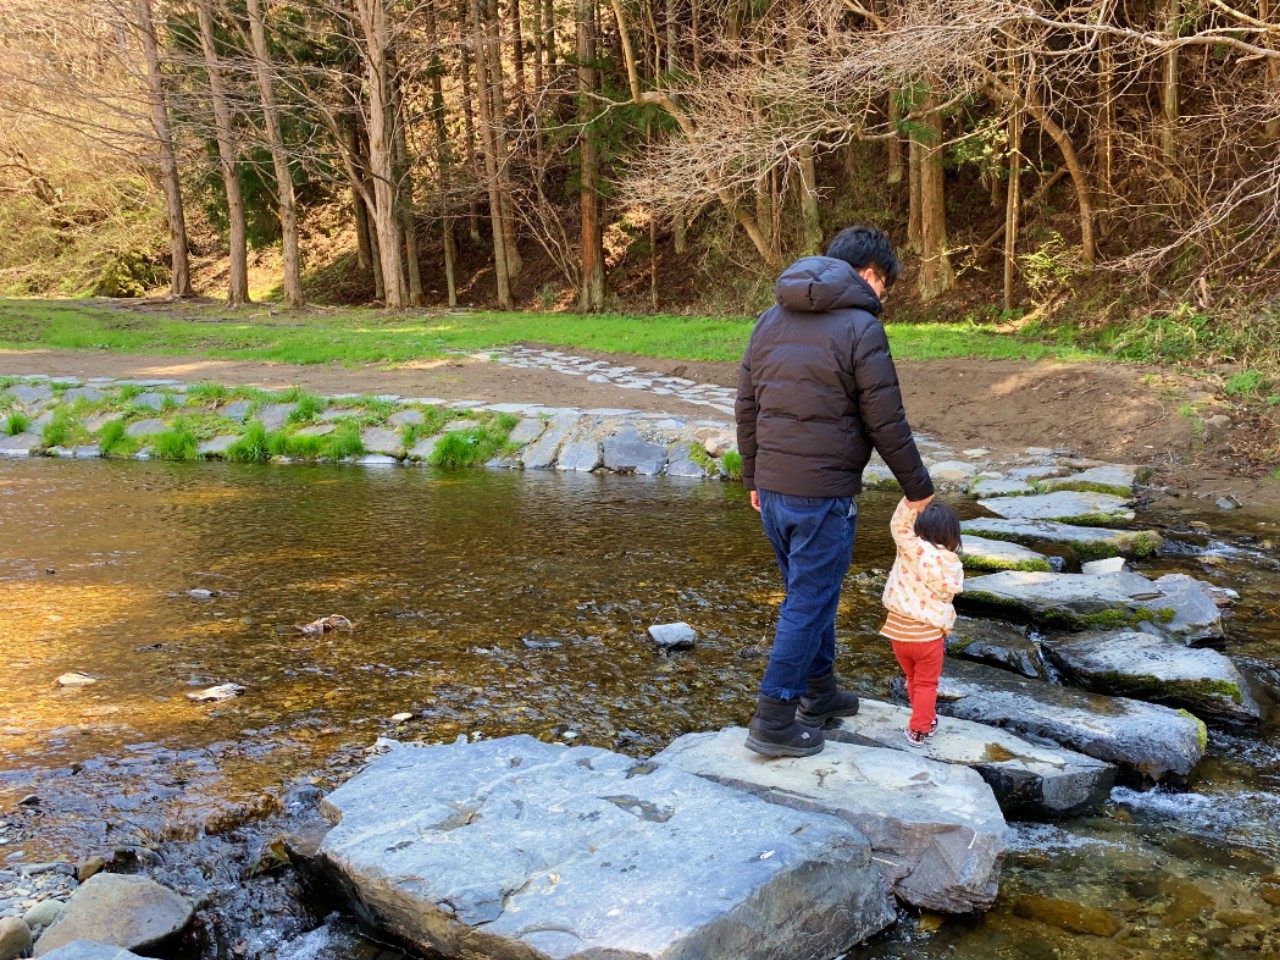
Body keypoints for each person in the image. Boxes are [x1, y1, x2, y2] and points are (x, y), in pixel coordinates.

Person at [735, 225, 935, 758]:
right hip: (822, 494)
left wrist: (752, 476)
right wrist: (919, 490)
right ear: (870, 274)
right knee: (809, 599)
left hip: (774, 490)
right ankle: (774, 719)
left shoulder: (770, 318)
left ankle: (818, 695)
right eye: (885, 285)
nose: (883, 296)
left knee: (810, 592)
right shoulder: (859, 327)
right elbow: (886, 420)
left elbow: (747, 404)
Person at [881, 497, 964, 746]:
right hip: (928, 637)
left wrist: (911, 502)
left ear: (920, 529)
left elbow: (898, 524)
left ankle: (925, 717)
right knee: (927, 683)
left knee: (913, 679)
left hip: (898, 633)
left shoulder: (911, 549)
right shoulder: (952, 563)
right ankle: (919, 729)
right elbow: (952, 592)